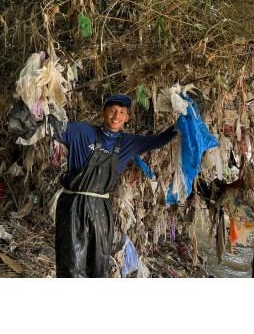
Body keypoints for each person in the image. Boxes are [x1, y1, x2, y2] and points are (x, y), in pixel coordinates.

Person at [48, 93, 177, 278]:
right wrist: (38, 102)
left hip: (101, 209)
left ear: (127, 118)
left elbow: (159, 140)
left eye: (121, 112)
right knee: (71, 265)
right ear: (103, 113)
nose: (116, 116)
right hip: (73, 207)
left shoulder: (128, 143)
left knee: (99, 264)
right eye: (112, 110)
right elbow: (49, 127)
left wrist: (184, 120)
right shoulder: (81, 132)